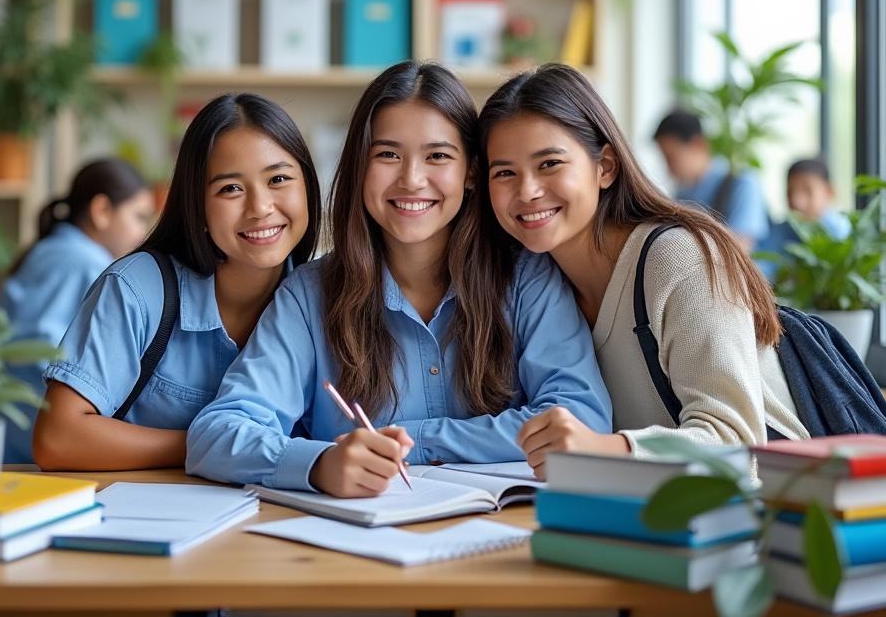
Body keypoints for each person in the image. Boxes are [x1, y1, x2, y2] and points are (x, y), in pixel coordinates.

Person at [186, 61, 612, 497]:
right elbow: (215, 434)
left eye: (437, 156)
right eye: (388, 155)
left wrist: (418, 440)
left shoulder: (526, 276)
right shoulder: (310, 294)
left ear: (470, 173)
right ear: (360, 167)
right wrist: (318, 463)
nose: (411, 179)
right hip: (354, 547)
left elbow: (580, 420)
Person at [479, 64, 806, 478]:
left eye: (550, 164)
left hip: (774, 513)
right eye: (504, 172)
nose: (527, 191)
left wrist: (604, 448)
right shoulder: (535, 280)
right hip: (644, 518)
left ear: (606, 167)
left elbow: (738, 443)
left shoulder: (679, 258)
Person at [32, 93, 321, 470]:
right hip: (144, 518)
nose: (260, 207)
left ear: (308, 189)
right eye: (230, 188)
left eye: (279, 179)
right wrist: (216, 445)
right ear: (196, 205)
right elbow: (57, 438)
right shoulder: (136, 288)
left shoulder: (322, 297)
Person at [0, 158, 153, 463]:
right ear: (102, 211)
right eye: (139, 217)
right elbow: (42, 351)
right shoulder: (82, 263)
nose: (143, 232)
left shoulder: (54, 250)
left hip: (15, 429)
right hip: (36, 432)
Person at [653, 109, 770, 251]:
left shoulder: (743, 185)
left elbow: (741, 249)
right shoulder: (682, 196)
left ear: (698, 144)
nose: (668, 169)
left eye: (671, 158)